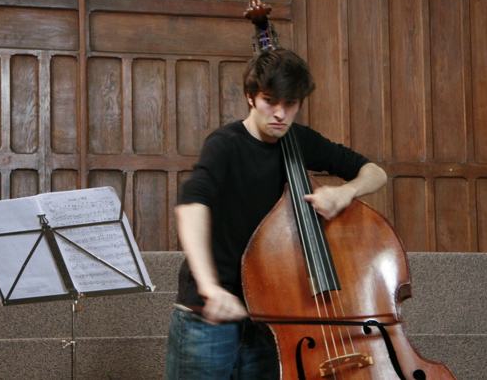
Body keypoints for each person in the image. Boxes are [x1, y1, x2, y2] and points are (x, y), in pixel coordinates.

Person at [165, 48, 387, 379]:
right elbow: (191, 205)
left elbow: (374, 172)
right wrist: (211, 288)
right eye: (271, 101)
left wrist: (345, 192)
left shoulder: (300, 141)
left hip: (272, 316)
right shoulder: (225, 144)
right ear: (251, 97)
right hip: (209, 314)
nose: (281, 114)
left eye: (291, 104)